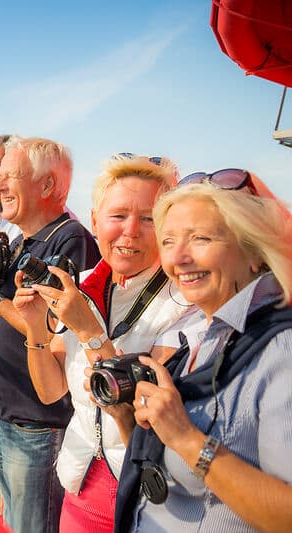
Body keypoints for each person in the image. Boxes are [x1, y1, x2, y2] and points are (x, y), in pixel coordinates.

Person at [10, 154, 195, 532]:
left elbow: (148, 412)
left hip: (144, 492)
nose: (130, 231)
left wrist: (89, 331)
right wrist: (34, 329)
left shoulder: (184, 301)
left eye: (148, 218)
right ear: (94, 221)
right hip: (79, 480)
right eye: (118, 216)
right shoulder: (84, 283)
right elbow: (50, 391)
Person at [114, 170, 292, 532]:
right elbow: (172, 467)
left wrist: (186, 437)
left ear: (254, 249)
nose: (178, 258)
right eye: (168, 241)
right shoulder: (207, 332)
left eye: (201, 238)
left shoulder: (281, 350)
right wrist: (125, 417)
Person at [0, 135, 100, 533]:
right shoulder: (23, 242)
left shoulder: (71, 240)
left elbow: (60, 332)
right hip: (2, 414)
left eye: (9, 177)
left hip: (37, 423)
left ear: (48, 185)